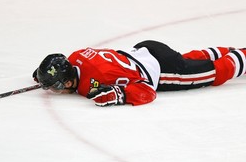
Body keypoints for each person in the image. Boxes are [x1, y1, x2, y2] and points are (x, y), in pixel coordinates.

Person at [32, 40, 246, 107]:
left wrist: (120, 95)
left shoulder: (92, 83)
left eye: (53, 86)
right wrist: (45, 74)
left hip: (162, 70)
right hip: (146, 49)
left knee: (216, 74)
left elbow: (147, 91)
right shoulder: (76, 56)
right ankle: (232, 50)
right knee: (189, 60)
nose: (52, 90)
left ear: (67, 83)